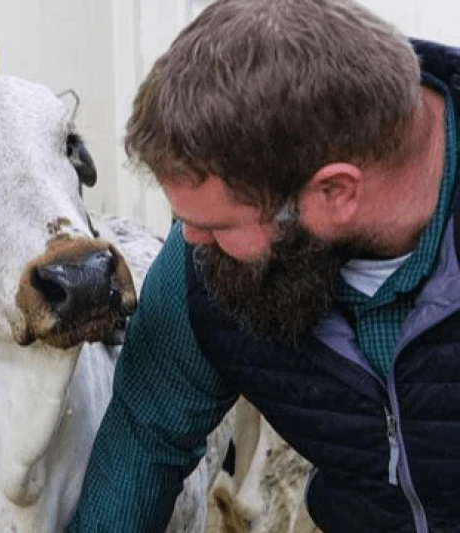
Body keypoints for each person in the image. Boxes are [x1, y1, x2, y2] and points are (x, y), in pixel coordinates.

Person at [67, 0, 460, 531]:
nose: (190, 242)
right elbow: (144, 437)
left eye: (220, 226)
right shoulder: (205, 264)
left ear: (335, 190)